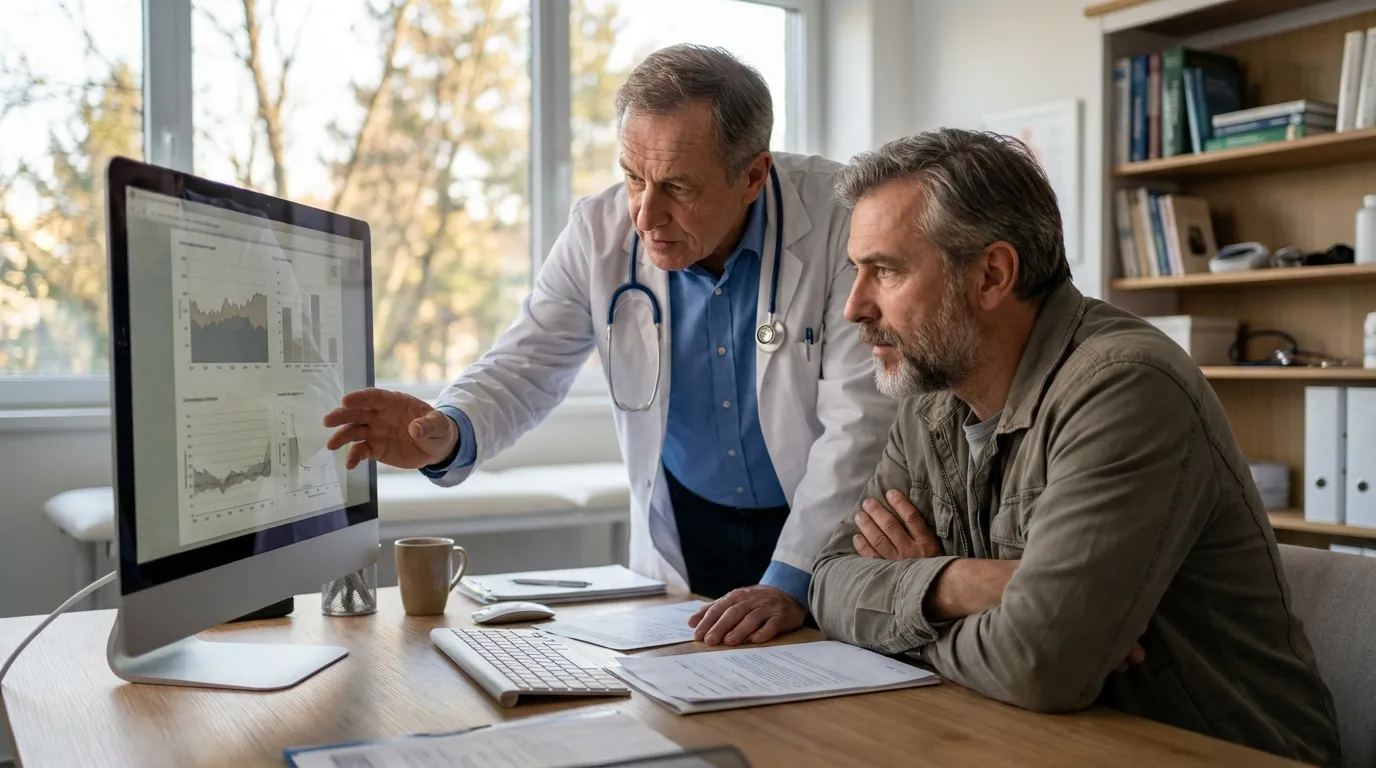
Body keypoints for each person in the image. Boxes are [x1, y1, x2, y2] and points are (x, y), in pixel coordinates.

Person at [324, 44, 893, 646]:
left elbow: (859, 419)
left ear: (753, 175)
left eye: (676, 185)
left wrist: (793, 576)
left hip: (820, 533)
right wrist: (450, 429)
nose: (646, 214)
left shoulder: (842, 218)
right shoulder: (597, 232)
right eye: (632, 177)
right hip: (686, 530)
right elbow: (526, 362)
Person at [807, 128, 1342, 765]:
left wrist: (903, 613)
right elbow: (828, 583)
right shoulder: (930, 396)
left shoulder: (1126, 386)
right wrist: (962, 585)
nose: (852, 308)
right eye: (856, 271)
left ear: (993, 275)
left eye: (885, 271)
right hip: (1027, 739)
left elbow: (1040, 663)